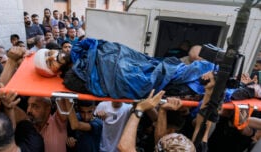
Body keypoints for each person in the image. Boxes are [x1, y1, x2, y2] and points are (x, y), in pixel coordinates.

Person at [117, 71, 215, 152]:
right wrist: (210, 91)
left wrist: (140, 109)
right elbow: (203, 127)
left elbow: (124, 147)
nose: (161, 137)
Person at [33, 38, 216, 99]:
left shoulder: (80, 49)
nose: (53, 56)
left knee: (163, 66)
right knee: (164, 74)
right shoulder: (72, 78)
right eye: (50, 62)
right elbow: (102, 83)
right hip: (124, 75)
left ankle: (210, 72)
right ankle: (212, 73)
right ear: (55, 72)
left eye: (50, 53)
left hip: (130, 61)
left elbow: (109, 47)